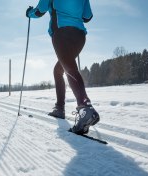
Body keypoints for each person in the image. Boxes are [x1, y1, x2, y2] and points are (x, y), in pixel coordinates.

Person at [26, 0, 99, 134]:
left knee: (69, 69)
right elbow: (87, 17)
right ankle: (60, 108)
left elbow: (38, 11)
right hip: (79, 36)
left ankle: (85, 108)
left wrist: (28, 13)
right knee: (59, 70)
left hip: (61, 33)